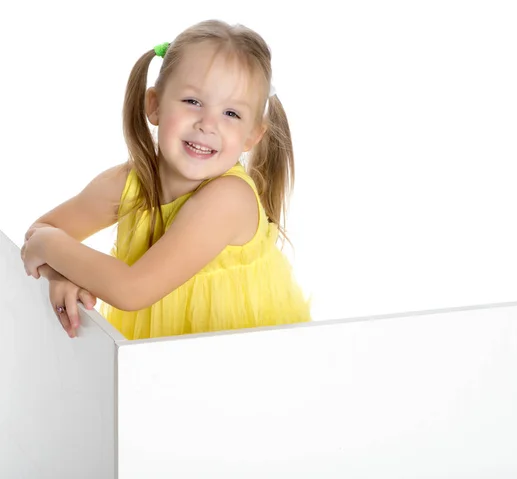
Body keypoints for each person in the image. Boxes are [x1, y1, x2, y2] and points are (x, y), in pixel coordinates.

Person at [21, 19, 311, 340]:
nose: (207, 124)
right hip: (158, 361)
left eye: (231, 113)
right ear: (155, 105)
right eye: (193, 102)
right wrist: (58, 274)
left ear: (251, 136)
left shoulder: (228, 199)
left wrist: (51, 247)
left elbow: (132, 289)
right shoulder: (128, 182)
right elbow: (39, 231)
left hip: (245, 359)